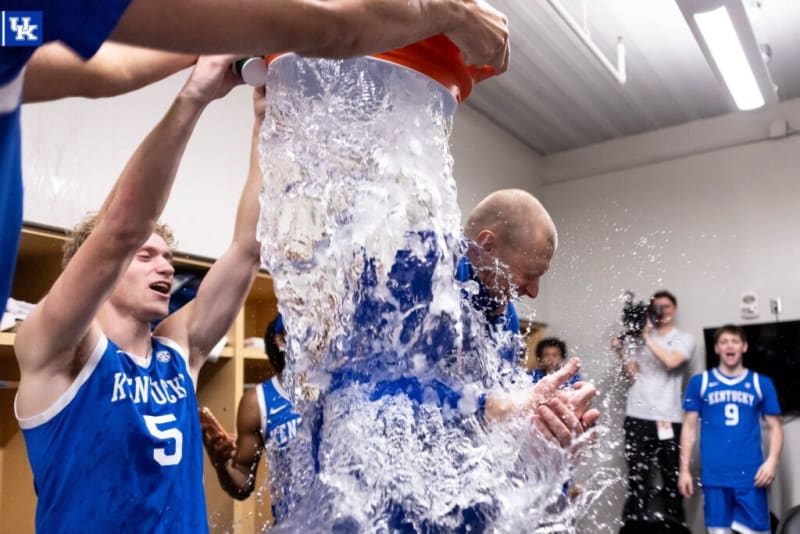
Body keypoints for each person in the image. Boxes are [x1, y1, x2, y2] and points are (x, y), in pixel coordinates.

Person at [0, 0, 510, 314]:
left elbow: (105, 70)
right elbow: (329, 26)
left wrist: (216, 72)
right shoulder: (56, 346)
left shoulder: (13, 32)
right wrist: (452, 11)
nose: (163, 265)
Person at [12, 57, 268, 532]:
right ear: (98, 274)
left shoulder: (179, 351)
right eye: (146, 255)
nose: (166, 264)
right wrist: (195, 96)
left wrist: (262, 124)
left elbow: (248, 249)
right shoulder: (56, 351)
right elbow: (119, 231)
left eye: (168, 256)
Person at [678, 324, 783, 534]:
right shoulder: (701, 382)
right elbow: (689, 427)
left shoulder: (761, 383)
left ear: (744, 347)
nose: (730, 346)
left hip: (751, 478)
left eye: (735, 341)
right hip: (715, 477)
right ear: (716, 348)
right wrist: (684, 470)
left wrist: (771, 462)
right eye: (724, 342)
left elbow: (776, 427)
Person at [200, 313, 302, 525]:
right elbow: (243, 482)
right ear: (280, 340)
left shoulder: (339, 388)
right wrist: (221, 464)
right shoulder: (258, 402)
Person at [612, 289, 696, 526]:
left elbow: (671, 362)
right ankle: (634, 528)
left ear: (674, 309)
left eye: (665, 307)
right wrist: (621, 349)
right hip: (637, 416)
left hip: (668, 417)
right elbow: (633, 374)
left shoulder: (683, 339)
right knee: (637, 481)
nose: (661, 312)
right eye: (656, 307)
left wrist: (647, 336)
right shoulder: (639, 337)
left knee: (672, 481)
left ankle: (674, 527)